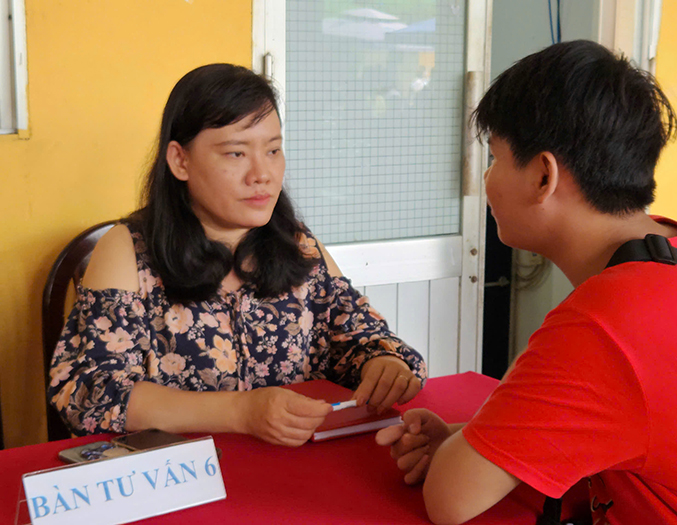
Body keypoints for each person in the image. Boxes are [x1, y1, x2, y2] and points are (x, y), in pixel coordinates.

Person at [377, 40, 677, 525]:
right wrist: (474, 439)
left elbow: (450, 499)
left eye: (495, 157)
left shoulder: (605, 324)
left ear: (542, 177)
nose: (488, 179)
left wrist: (459, 453)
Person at [48, 64, 426, 447]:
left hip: (288, 465)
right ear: (180, 161)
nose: (262, 174)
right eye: (235, 153)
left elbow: (365, 338)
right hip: (185, 473)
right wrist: (241, 412)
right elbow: (88, 389)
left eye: (273, 150)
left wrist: (384, 363)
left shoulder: (298, 245)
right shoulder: (128, 250)